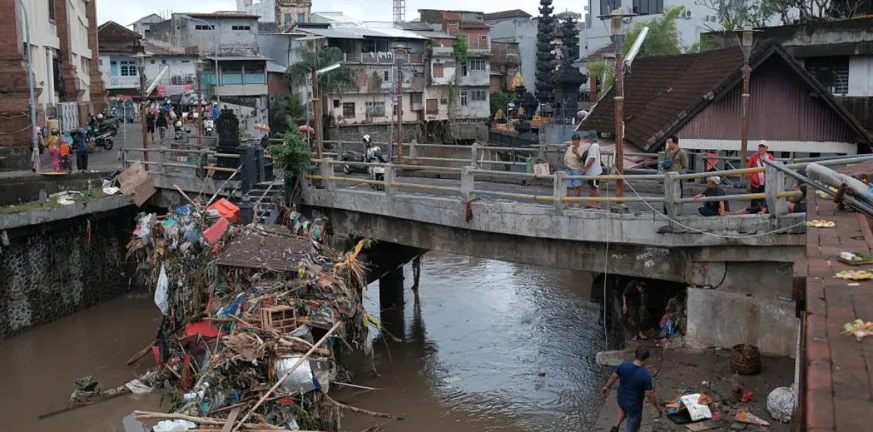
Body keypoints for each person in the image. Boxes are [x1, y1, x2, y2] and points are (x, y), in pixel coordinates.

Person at [601, 347, 662, 432]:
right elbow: (650, 394)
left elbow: (613, 377)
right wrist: (658, 407)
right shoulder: (645, 375)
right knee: (633, 425)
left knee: (623, 409)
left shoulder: (624, 365)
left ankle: (616, 425)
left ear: (635, 355)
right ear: (646, 359)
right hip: (634, 404)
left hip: (621, 398)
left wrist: (606, 387)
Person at [746, 141, 774, 207]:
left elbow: (773, 168)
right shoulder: (754, 156)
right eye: (760, 146)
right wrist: (752, 177)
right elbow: (748, 167)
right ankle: (752, 213)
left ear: (766, 148)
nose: (761, 148)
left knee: (764, 200)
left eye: (763, 147)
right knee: (754, 200)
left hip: (766, 182)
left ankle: (762, 213)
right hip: (755, 183)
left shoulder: (770, 157)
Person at [583, 130, 603, 209]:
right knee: (592, 187)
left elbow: (592, 159)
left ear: (590, 137)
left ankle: (597, 204)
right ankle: (592, 203)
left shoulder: (594, 146)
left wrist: (585, 168)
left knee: (595, 187)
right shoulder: (594, 146)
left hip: (594, 171)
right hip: (591, 172)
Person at [564, 133, 586, 199]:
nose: (574, 141)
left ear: (579, 141)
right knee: (566, 186)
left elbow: (580, 160)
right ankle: (566, 200)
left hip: (577, 169)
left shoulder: (582, 149)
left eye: (576, 140)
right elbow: (566, 157)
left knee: (577, 186)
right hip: (569, 168)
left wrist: (577, 153)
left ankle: (576, 202)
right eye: (573, 140)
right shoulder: (569, 147)